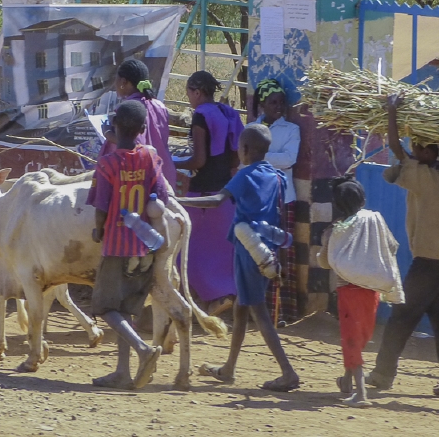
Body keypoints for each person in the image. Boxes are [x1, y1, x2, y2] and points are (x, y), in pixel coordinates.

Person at [178, 124, 300, 392]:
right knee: (242, 307)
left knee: (258, 310)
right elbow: (279, 215)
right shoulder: (277, 176)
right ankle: (229, 368)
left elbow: (216, 201)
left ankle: (288, 372)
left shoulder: (245, 175)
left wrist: (178, 201)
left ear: (244, 149)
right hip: (268, 249)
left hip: (247, 249)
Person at [366, 93, 439, 398]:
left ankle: (382, 374)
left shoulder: (423, 175)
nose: (412, 151)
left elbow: (395, 148)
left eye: (417, 147)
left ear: (427, 151)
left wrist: (392, 111)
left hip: (429, 260)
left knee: (402, 315)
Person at [88, 100, 166, 390]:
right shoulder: (150, 157)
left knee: (105, 307)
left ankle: (143, 350)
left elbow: (101, 207)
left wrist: (98, 230)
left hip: (117, 246)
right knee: (125, 309)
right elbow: (160, 198)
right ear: (143, 128)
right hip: (145, 246)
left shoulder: (108, 164)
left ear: (113, 126)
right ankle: (122, 371)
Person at [318, 175, 403, 408]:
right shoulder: (374, 220)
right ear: (363, 200)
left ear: (337, 205)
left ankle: (361, 393)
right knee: (359, 337)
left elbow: (325, 262)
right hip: (371, 292)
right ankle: (347, 382)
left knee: (351, 340)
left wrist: (325, 251)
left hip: (348, 292)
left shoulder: (336, 230)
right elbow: (392, 246)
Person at [175, 70, 243, 314]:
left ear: (196, 92)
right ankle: (221, 297)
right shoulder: (227, 112)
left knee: (185, 251)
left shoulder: (201, 115)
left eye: (188, 92)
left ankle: (204, 300)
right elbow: (235, 157)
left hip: (202, 194)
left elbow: (199, 160)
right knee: (221, 252)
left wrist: (174, 162)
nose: (188, 97)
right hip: (225, 194)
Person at [253, 78, 300, 325]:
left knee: (284, 256)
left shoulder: (291, 129)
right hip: (260, 200)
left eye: (281, 102)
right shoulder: (252, 128)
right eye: (273, 102)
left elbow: (289, 159)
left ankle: (282, 312)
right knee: (261, 254)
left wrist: (258, 156)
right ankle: (262, 311)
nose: (279, 107)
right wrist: (270, 158)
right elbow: (245, 160)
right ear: (262, 104)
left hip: (284, 199)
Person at [98, 59, 177, 190]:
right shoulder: (160, 106)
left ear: (123, 82)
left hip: (140, 178)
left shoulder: (128, 109)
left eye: (116, 79)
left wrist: (107, 132)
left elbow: (131, 145)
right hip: (164, 176)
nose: (115, 84)